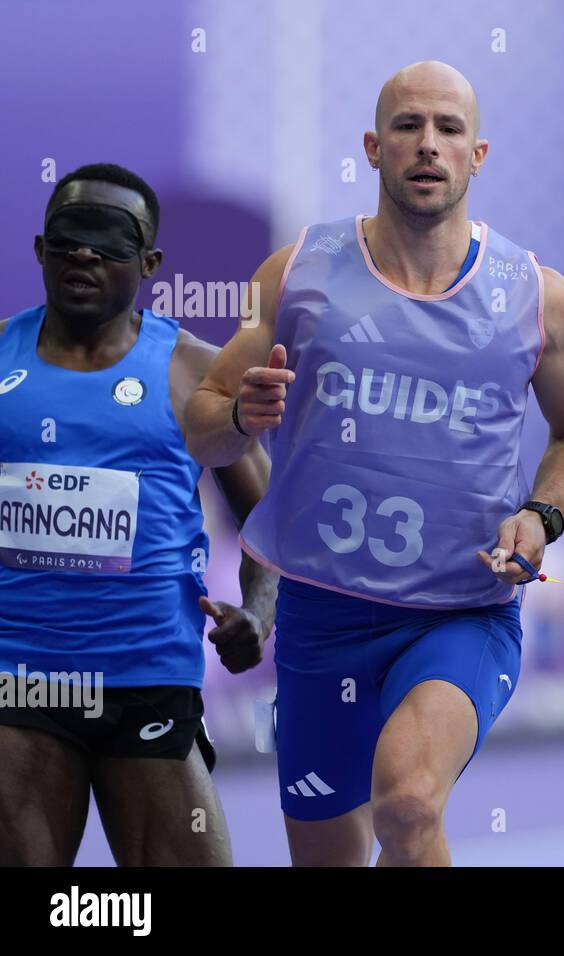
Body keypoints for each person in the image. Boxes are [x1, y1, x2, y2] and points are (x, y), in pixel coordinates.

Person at [185, 61, 564, 866]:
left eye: (449, 129)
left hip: (460, 612)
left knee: (409, 806)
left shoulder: (536, 296)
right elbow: (203, 427)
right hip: (321, 617)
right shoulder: (294, 272)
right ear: (374, 148)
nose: (428, 145)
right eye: (409, 127)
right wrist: (240, 415)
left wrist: (542, 515)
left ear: (477, 155)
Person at [0, 163, 277, 866]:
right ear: (39, 250)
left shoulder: (196, 372)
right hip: (21, 681)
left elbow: (273, 521)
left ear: (150, 263)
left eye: (109, 241)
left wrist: (259, 615)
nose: (85, 253)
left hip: (149, 679)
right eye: (68, 238)